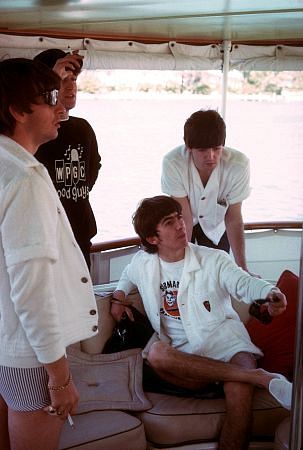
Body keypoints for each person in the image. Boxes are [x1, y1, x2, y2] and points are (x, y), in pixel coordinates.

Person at [111, 195, 292, 450]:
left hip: (226, 343)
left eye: (179, 217)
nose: (181, 224)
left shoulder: (214, 259)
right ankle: (259, 377)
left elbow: (243, 282)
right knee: (157, 354)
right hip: (184, 359)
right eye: (169, 222)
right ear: (153, 238)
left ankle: (245, 378)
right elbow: (127, 274)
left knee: (239, 390)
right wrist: (118, 297)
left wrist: (269, 292)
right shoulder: (144, 263)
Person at [0, 58, 99, 450]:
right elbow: (32, 291)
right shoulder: (25, 179)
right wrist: (60, 378)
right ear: (18, 110)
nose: (62, 109)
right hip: (28, 354)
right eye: (50, 97)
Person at [34, 48, 101, 270]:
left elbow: (93, 168)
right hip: (46, 242)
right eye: (63, 79)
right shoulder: (34, 132)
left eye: (73, 79)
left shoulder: (82, 128)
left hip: (80, 234)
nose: (71, 86)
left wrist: (73, 192)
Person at [161, 109, 251, 272]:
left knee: (216, 272)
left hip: (217, 224)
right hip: (183, 221)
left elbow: (234, 218)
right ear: (188, 146)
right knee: (184, 271)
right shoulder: (173, 162)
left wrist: (243, 268)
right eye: (202, 150)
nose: (210, 156)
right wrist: (183, 266)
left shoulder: (239, 165)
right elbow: (185, 218)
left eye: (217, 149)